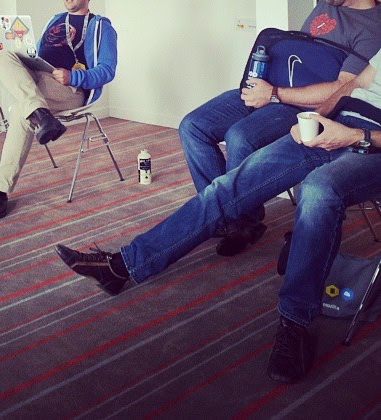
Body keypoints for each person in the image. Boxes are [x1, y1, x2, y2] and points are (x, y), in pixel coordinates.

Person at [56, 49, 381, 384]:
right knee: (227, 187)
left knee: (318, 192)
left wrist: (359, 136)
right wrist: (318, 117)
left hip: (371, 147)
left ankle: (296, 321)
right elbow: (356, 83)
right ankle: (122, 266)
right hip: (333, 127)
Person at [179, 0, 381, 256]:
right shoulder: (329, 3)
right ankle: (225, 219)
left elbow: (341, 89)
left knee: (239, 136)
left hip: (295, 103)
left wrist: (273, 95)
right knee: (192, 126)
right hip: (269, 85)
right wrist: (265, 86)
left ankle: (240, 220)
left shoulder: (373, 27)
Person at [0, 0, 118, 220]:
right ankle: (41, 115)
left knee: (22, 108)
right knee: (2, 56)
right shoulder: (54, 20)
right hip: (39, 79)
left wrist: (73, 76)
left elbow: (108, 71)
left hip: (70, 89)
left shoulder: (101, 27)